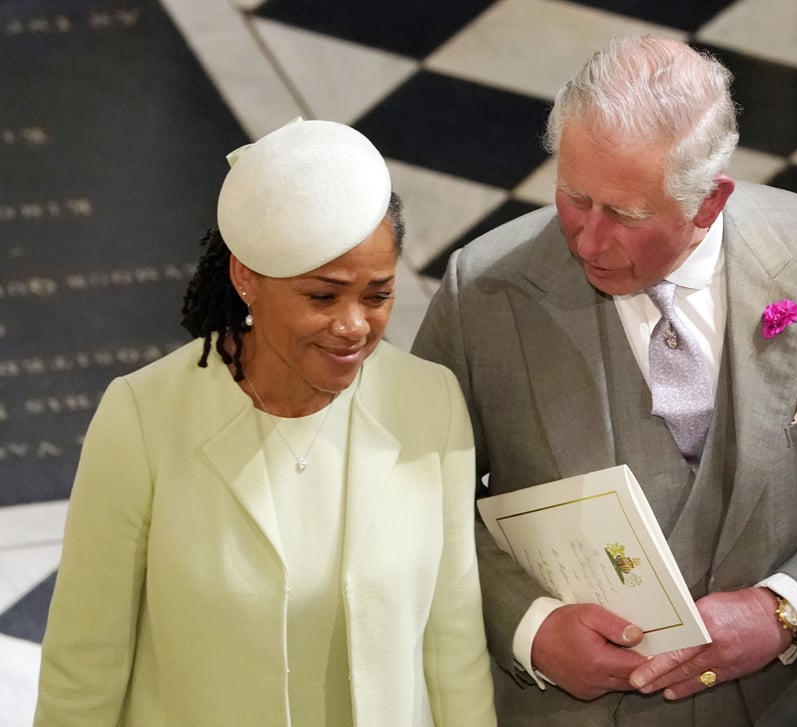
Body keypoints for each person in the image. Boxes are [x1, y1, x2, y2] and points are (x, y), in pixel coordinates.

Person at [411, 36, 797, 726]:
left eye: (627, 215)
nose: (585, 238)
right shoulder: (481, 290)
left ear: (709, 200)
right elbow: (416, 499)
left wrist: (786, 610)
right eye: (573, 196)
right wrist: (533, 626)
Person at [34, 119, 496, 727]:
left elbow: (454, 644)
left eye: (377, 295)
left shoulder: (428, 402)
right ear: (247, 278)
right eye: (323, 297)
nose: (354, 325)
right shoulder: (144, 418)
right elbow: (84, 665)